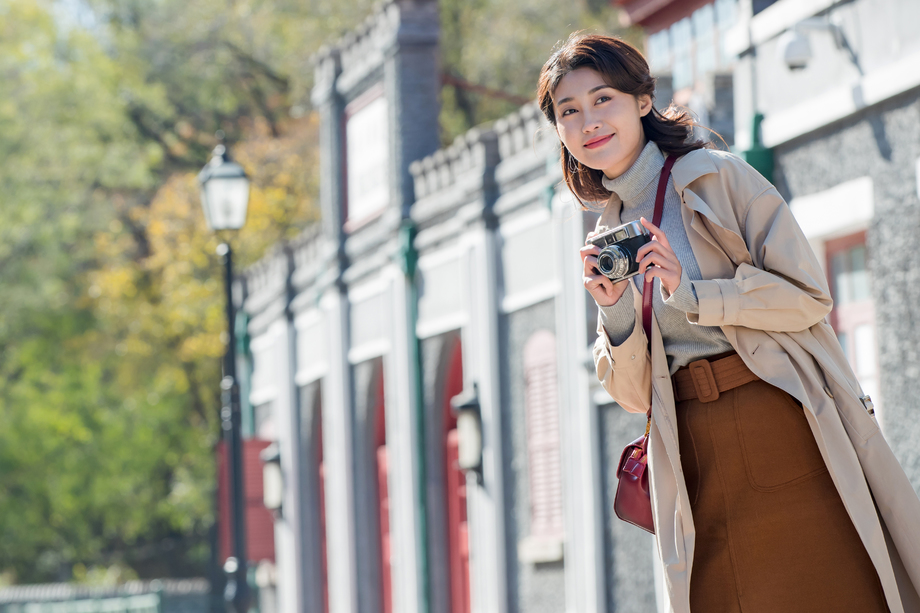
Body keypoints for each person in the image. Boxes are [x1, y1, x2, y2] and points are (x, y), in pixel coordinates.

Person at [537, 32, 920, 613]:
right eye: (569, 112)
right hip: (689, 457)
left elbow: (807, 296)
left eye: (602, 99)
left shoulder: (718, 177)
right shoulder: (606, 232)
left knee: (834, 592)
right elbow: (631, 391)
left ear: (642, 101)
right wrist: (614, 307)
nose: (588, 121)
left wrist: (689, 291)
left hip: (780, 423)